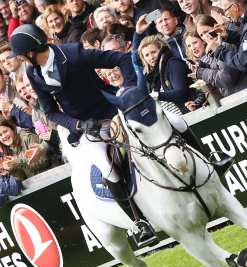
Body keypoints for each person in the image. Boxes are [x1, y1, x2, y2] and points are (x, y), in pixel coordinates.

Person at [9, 24, 156, 244]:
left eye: (21, 56)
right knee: (105, 166)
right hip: (87, 126)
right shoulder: (33, 73)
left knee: (169, 123)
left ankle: (210, 159)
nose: (21, 60)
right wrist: (77, 125)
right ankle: (139, 221)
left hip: (111, 110)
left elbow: (122, 59)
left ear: (30, 52)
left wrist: (129, 91)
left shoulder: (74, 54)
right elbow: (50, 111)